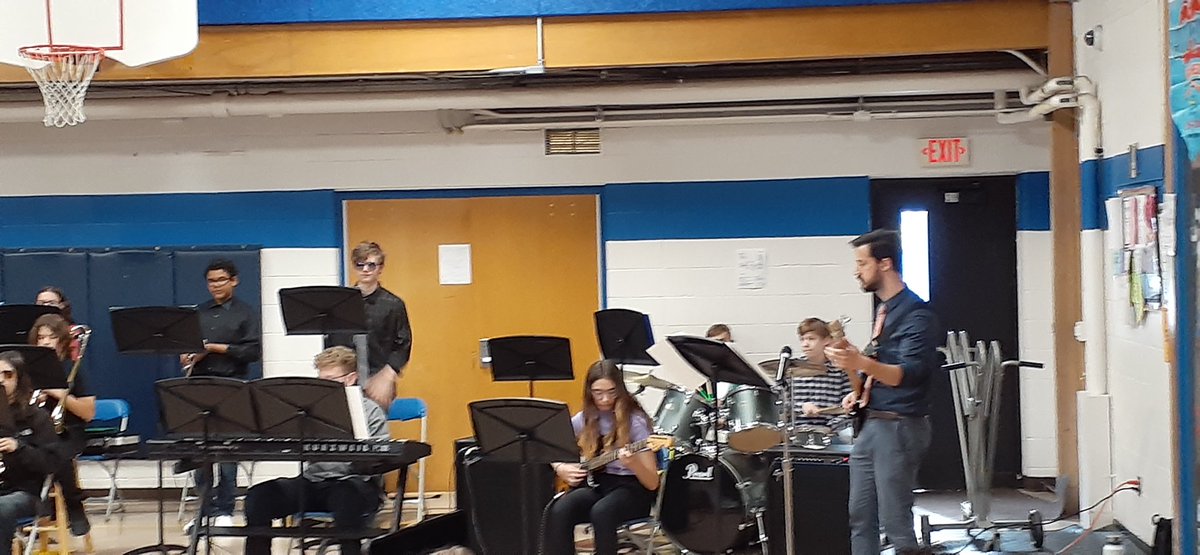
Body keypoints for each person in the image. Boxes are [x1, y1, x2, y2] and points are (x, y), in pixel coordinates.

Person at [824, 229, 940, 555]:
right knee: (861, 515)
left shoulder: (917, 314)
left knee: (895, 521)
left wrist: (859, 360)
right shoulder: (884, 311)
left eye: (862, 263)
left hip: (899, 424)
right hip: (874, 422)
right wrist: (853, 372)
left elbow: (907, 375)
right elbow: (875, 372)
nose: (856, 271)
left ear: (885, 263)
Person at [243, 346, 388, 555]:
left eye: (330, 381)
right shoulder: (308, 412)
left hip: (354, 483)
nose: (323, 387)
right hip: (313, 481)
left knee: (347, 498)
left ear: (350, 379)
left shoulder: (370, 411)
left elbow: (382, 457)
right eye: (321, 381)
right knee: (259, 497)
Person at [542, 360, 660, 555]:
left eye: (611, 392)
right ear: (589, 391)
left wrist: (633, 463)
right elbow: (549, 447)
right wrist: (560, 467)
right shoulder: (585, 418)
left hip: (632, 489)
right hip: (598, 483)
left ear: (620, 390)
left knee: (602, 512)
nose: (605, 399)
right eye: (598, 392)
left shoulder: (636, 422)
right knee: (560, 509)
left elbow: (652, 483)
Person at [181, 259, 262, 529]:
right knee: (200, 450)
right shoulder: (197, 312)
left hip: (232, 384)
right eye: (211, 281)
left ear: (234, 281)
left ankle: (225, 507)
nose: (215, 285)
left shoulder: (246, 312)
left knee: (228, 452)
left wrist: (215, 348)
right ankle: (204, 508)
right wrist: (187, 355)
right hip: (200, 385)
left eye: (221, 280)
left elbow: (252, 351)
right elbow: (187, 345)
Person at [29, 314, 96, 536]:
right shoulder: (25, 371)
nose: (46, 342)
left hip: (68, 432)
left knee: (58, 453)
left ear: (62, 340)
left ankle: (74, 506)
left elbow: (88, 413)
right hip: (36, 431)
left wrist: (58, 394)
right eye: (41, 337)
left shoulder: (71, 369)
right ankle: (29, 509)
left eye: (52, 337)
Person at [327, 241, 413, 407]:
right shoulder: (339, 303)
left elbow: (403, 344)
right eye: (360, 265)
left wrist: (388, 375)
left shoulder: (393, 304)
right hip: (344, 379)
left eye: (371, 265)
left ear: (380, 268)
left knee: (374, 426)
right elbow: (331, 343)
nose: (365, 270)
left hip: (377, 377)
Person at [0, 350, 62, 549]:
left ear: (19, 379)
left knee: (2, 508)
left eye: (7, 375)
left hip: (25, 492)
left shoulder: (37, 417)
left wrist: (19, 448)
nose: (1, 381)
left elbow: (51, 463)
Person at [791, 318, 851, 429]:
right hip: (797, 432)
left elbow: (848, 408)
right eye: (802, 339)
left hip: (831, 432)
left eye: (811, 339)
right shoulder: (791, 370)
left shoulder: (840, 371)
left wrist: (831, 428)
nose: (805, 344)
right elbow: (782, 406)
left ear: (826, 340)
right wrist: (802, 406)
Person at [35, 287, 83, 362]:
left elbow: (74, 359)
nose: (46, 306)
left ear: (62, 305)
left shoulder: (71, 330)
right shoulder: (31, 328)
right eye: (41, 303)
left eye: (52, 303)